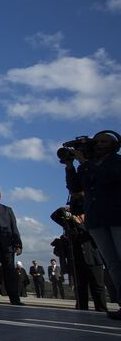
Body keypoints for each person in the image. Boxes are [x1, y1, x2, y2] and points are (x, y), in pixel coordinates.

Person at [65, 130, 121, 320]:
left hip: (116, 216)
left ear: (115, 145)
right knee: (112, 263)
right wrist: (69, 166)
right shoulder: (87, 165)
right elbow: (74, 188)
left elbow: (107, 178)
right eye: (96, 142)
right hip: (96, 219)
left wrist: (85, 162)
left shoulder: (117, 162)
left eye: (104, 141)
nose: (98, 144)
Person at [50, 202, 108, 312]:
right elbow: (54, 216)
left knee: (98, 287)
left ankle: (101, 309)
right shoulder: (70, 223)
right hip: (77, 258)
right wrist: (66, 209)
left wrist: (79, 223)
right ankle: (81, 309)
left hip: (94, 258)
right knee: (80, 288)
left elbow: (90, 234)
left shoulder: (92, 220)